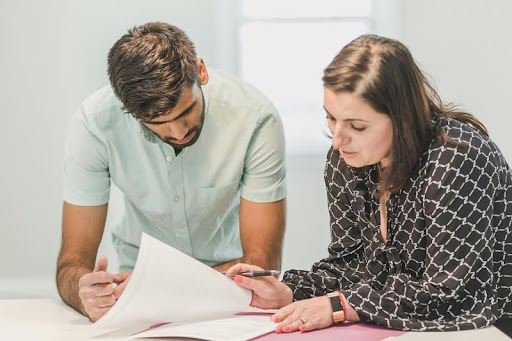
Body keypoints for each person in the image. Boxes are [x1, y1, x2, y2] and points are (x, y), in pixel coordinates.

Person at [226, 34, 512, 333]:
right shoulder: (345, 161)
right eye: (331, 118)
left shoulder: (457, 159)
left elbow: (451, 294)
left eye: (356, 126)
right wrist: (290, 292)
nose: (337, 139)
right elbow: (352, 264)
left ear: (402, 118)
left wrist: (341, 306)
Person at [56, 22, 286, 322]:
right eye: (158, 123)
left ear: (200, 71)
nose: (179, 132)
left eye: (186, 111)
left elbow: (262, 263)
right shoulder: (94, 124)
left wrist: (155, 290)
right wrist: (83, 293)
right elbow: (71, 263)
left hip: (231, 287)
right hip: (136, 284)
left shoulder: (256, 117)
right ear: (128, 110)